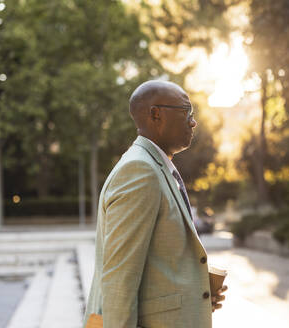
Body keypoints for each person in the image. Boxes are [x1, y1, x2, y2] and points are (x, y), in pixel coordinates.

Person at [83, 80, 227, 328]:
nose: (193, 122)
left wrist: (197, 294)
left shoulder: (153, 167)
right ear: (155, 114)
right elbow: (119, 279)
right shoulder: (139, 171)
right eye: (186, 113)